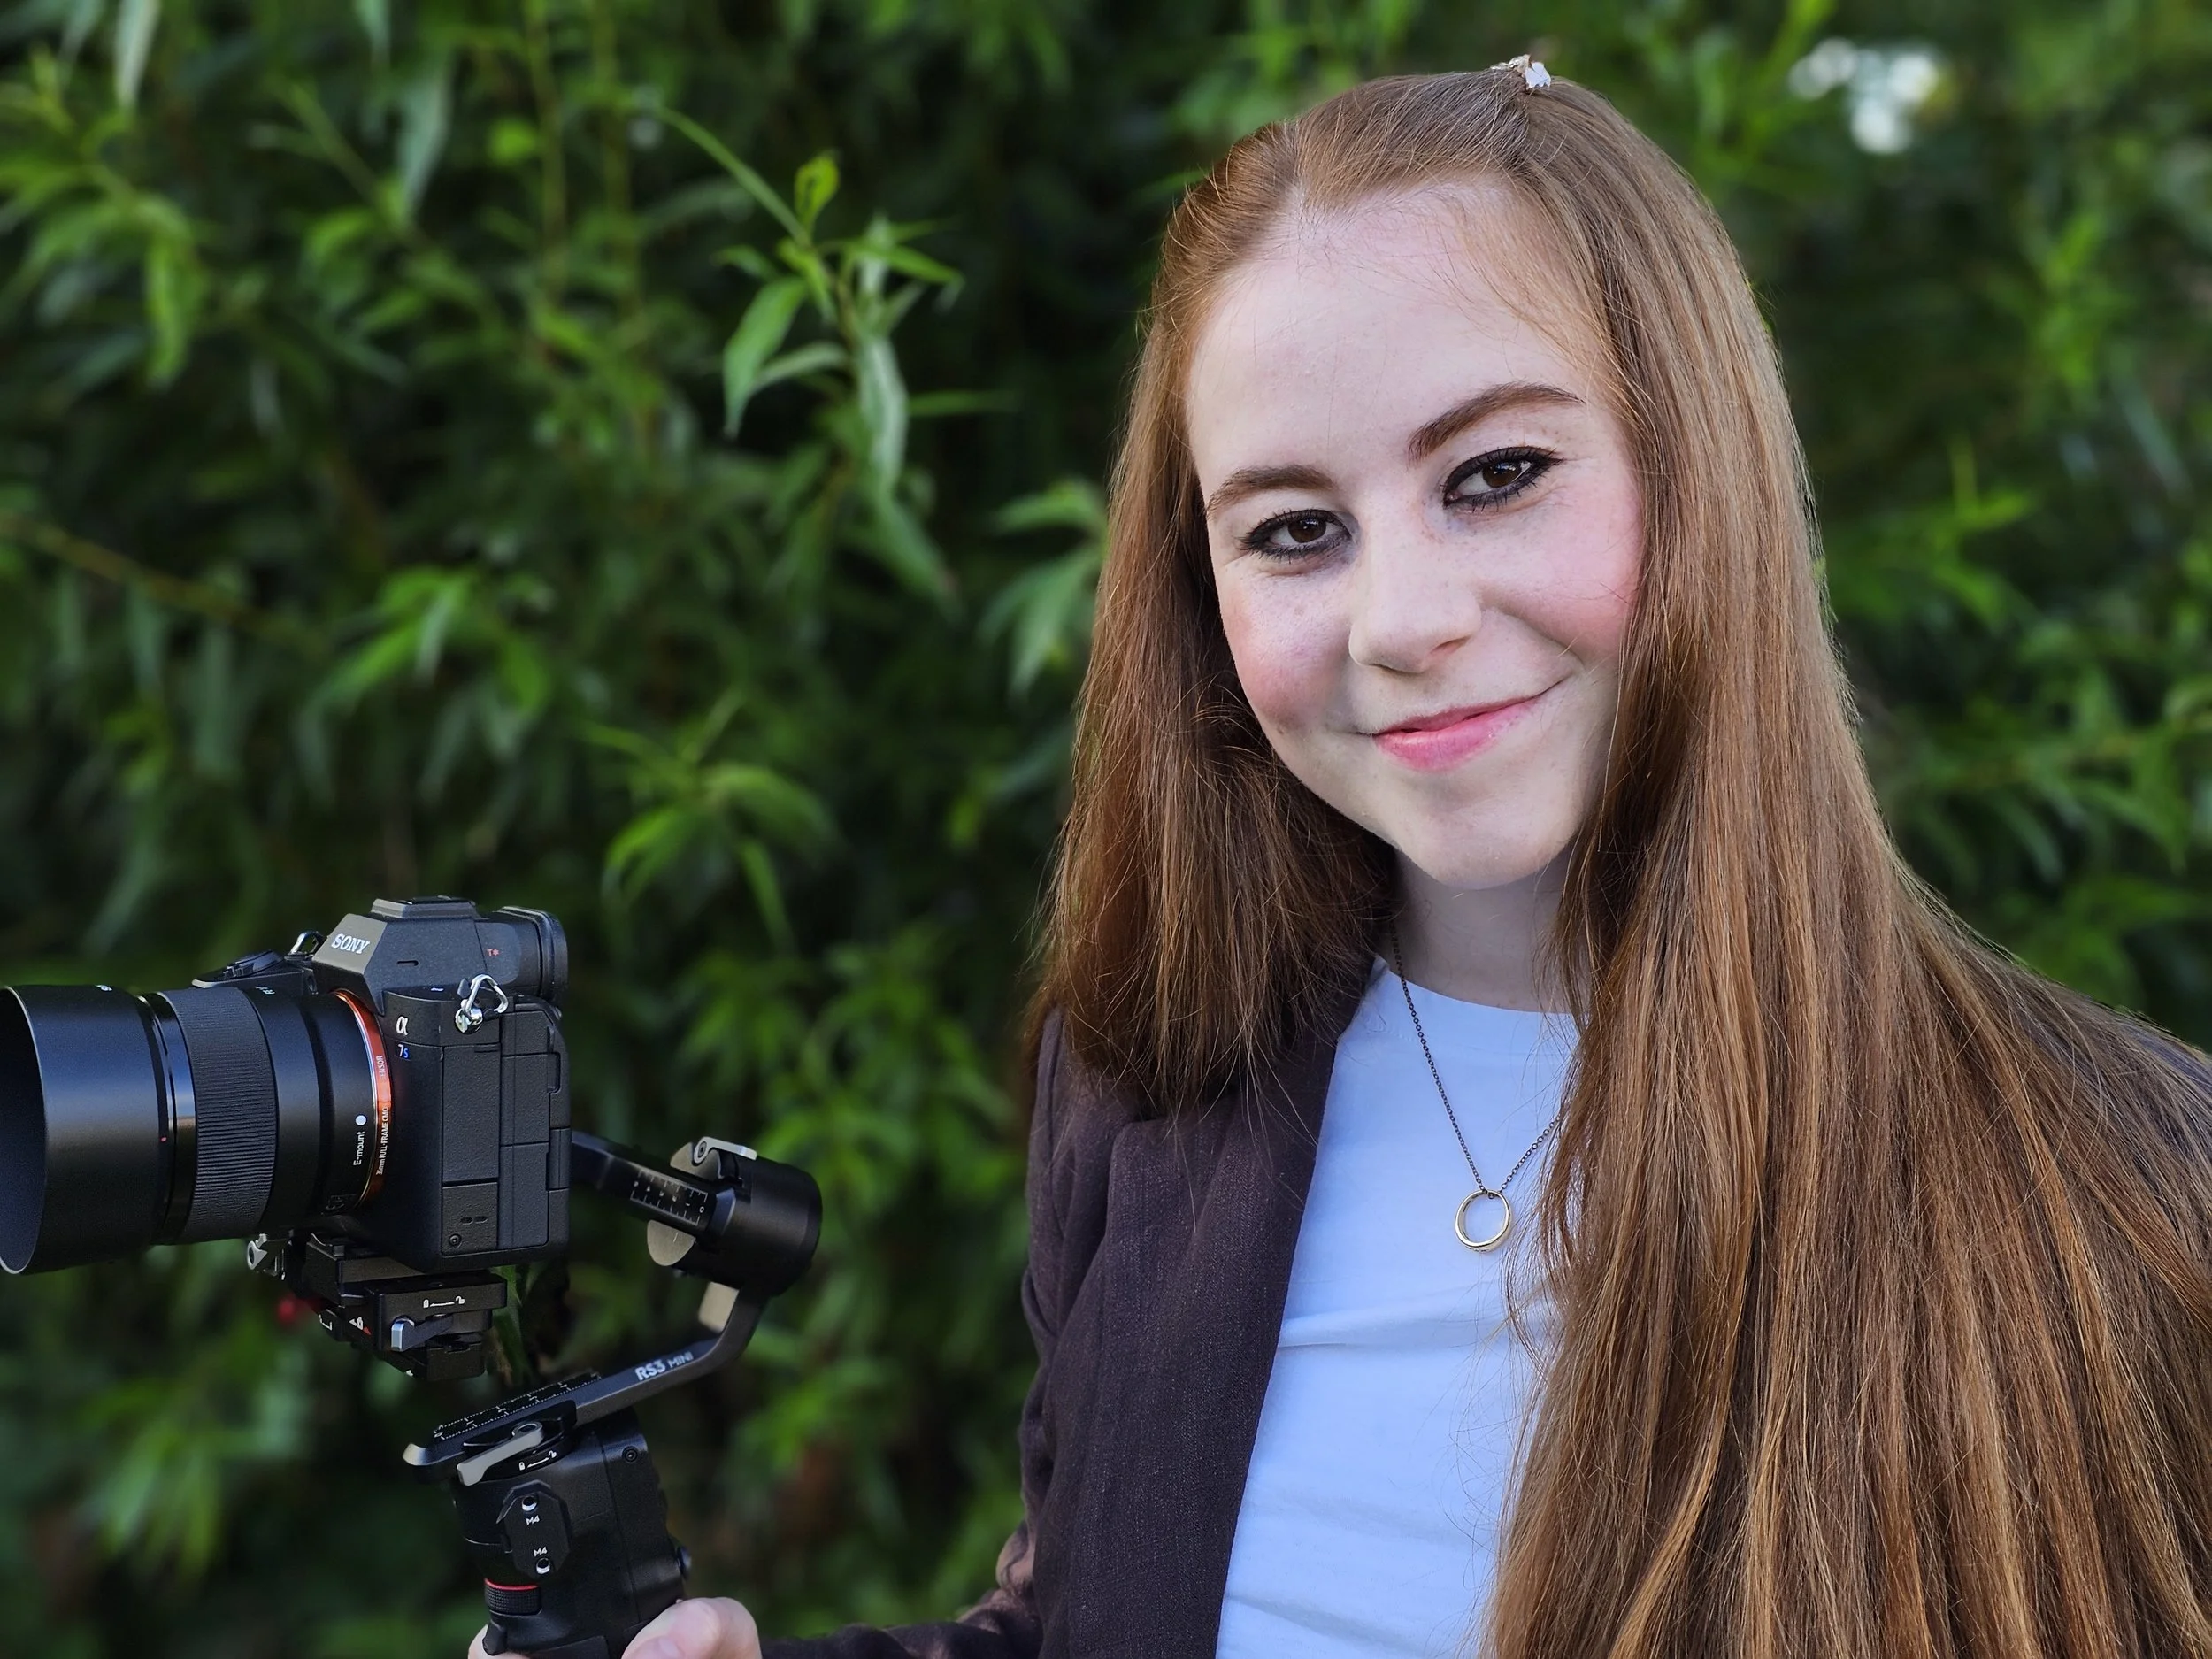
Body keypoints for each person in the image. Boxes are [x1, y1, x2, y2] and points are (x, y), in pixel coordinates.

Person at [477, 63, 2212, 1659]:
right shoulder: (1154, 1086)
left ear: (1699, 474)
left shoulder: (2128, 1201)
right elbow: (1083, 1614)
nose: (1400, 620)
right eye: (1295, 529)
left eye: (1496, 472)